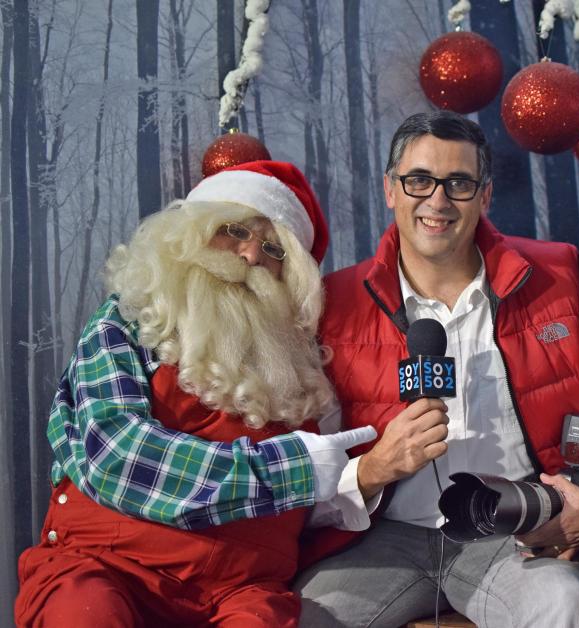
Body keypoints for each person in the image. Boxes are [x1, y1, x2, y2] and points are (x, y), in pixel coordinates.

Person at [14, 160, 401, 626]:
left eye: (273, 249)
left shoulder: (301, 370)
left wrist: (366, 474)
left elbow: (312, 495)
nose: (252, 256)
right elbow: (114, 454)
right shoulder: (130, 323)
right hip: (110, 569)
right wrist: (290, 472)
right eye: (235, 231)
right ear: (191, 235)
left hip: (239, 592)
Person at [294, 110, 579, 627]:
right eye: (419, 180)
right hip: (385, 537)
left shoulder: (554, 285)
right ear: (390, 190)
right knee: (301, 617)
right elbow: (307, 465)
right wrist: (376, 466)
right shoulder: (334, 306)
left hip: (509, 529)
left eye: (459, 183)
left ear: (485, 196)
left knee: (562, 601)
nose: (438, 201)